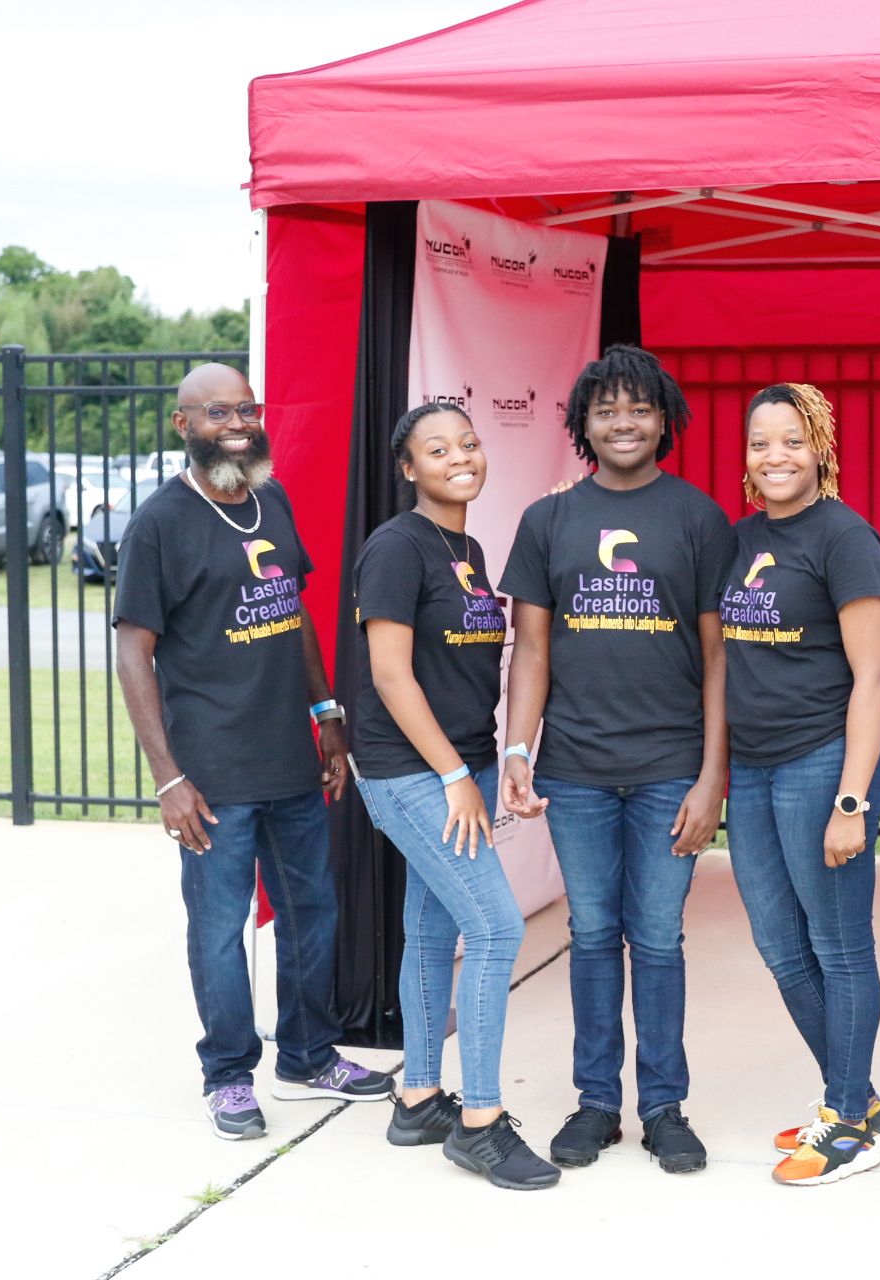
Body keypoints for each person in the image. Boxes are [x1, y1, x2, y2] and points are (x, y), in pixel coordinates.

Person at [114, 362, 392, 1143]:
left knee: (313, 913)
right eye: (216, 413)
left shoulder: (273, 500)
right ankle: (229, 1074)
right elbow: (133, 653)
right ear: (183, 425)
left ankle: (308, 1055)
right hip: (211, 773)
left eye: (246, 409)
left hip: (289, 758)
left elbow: (291, 611)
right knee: (219, 928)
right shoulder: (160, 523)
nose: (236, 424)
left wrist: (326, 712)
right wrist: (168, 777)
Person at [498, 345, 733, 1175]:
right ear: (582, 424)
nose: (623, 422)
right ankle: (597, 1102)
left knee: (658, 938)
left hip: (671, 768)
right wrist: (518, 748)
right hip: (576, 769)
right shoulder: (548, 521)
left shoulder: (699, 518)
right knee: (594, 935)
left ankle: (664, 1107)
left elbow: (719, 657)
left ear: (664, 420)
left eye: (639, 409)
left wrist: (712, 777)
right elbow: (531, 649)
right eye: (606, 410)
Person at [349, 403, 558, 1190]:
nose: (459, 457)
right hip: (411, 772)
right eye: (437, 450)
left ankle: (417, 1099)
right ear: (409, 469)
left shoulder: (467, 549)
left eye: (468, 443)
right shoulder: (395, 548)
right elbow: (390, 675)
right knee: (497, 927)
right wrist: (450, 776)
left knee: (433, 931)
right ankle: (479, 1123)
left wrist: (485, 764)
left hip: (461, 764)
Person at [720, 383, 880, 1187]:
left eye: (792, 440)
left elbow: (874, 676)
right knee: (780, 945)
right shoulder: (739, 539)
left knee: (838, 946)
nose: (776, 456)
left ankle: (847, 1122)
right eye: (761, 442)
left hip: (824, 763)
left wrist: (851, 800)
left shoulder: (845, 537)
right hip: (755, 768)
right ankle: (859, 1102)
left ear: (820, 447)